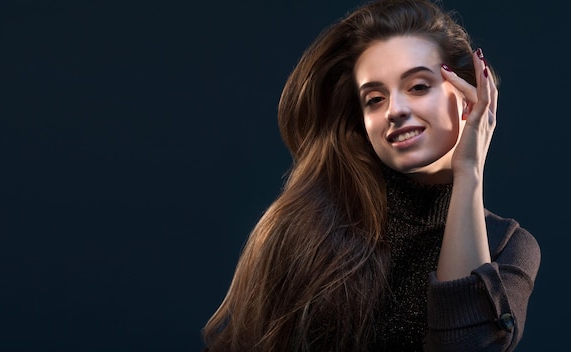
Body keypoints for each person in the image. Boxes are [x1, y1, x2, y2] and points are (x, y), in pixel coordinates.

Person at [202, 0, 541, 350]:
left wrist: (469, 172)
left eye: (419, 86)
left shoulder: (507, 247)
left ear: (469, 99)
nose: (394, 110)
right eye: (375, 99)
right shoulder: (306, 226)